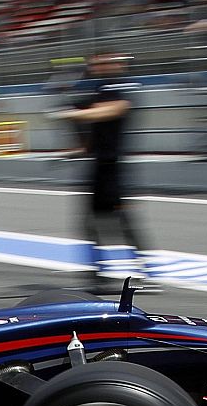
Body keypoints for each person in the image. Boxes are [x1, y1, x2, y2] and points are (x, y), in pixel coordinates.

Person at [51, 53, 150, 287]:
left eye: (104, 62)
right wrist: (77, 148)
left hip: (114, 167)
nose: (97, 67)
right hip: (97, 167)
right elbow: (90, 126)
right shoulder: (95, 89)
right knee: (89, 224)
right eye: (95, 63)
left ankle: (146, 272)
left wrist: (74, 113)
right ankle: (98, 275)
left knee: (124, 223)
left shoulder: (121, 86)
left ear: (117, 64)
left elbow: (114, 110)